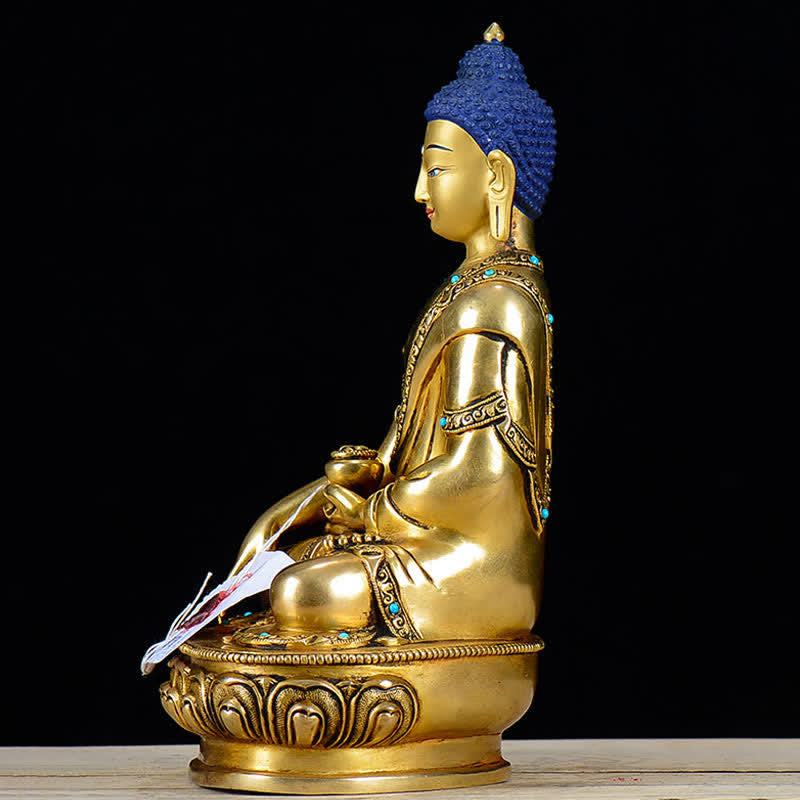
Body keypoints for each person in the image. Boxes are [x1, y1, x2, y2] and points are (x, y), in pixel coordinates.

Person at [229, 24, 556, 645]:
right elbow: (411, 448)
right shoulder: (467, 289)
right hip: (422, 531)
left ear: (496, 175)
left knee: (302, 591)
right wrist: (352, 480)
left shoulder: (500, 301)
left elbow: (483, 480)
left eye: (436, 169)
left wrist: (371, 512)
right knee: (285, 561)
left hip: (471, 561)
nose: (419, 189)